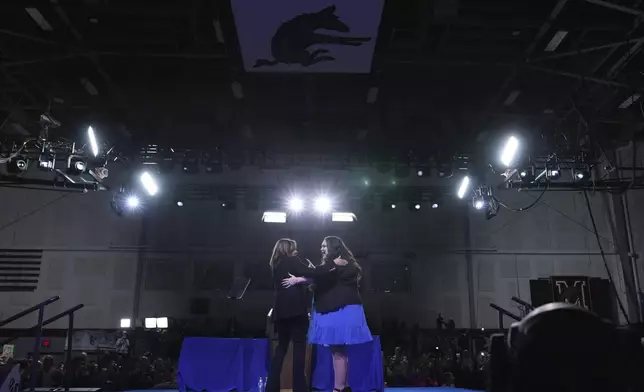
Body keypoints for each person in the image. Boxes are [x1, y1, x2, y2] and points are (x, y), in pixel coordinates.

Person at [283, 236, 372, 392]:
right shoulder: (331, 266)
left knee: (338, 350)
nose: (321, 248)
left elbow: (323, 275)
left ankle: (338, 388)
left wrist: (301, 279)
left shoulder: (344, 263)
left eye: (324, 246)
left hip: (340, 311)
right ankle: (343, 387)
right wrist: (305, 279)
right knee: (337, 351)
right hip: (334, 311)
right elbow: (320, 277)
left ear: (333, 247)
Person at [267, 238, 343, 392]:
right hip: (295, 310)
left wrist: (301, 279)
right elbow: (314, 272)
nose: (297, 251)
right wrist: (333, 264)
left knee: (281, 348)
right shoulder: (291, 260)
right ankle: (300, 388)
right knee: (299, 348)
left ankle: (271, 388)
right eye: (294, 248)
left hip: (280, 311)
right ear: (287, 249)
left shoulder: (276, 264)